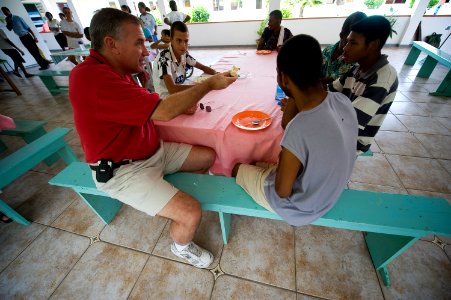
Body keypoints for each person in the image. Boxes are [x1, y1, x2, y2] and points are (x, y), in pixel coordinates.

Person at [69, 8, 236, 268]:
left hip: (151, 152)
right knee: (191, 212)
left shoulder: (117, 71)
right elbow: (164, 109)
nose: (146, 51)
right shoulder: (90, 78)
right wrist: (208, 84)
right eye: (138, 43)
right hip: (123, 171)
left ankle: (167, 197)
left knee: (208, 155)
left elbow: (151, 106)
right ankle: (180, 246)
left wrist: (176, 103)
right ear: (111, 44)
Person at [232, 34, 358, 227]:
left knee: (238, 168)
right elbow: (288, 123)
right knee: (260, 163)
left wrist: (283, 162)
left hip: (302, 209)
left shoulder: (299, 128)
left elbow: (282, 191)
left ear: (282, 77)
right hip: (329, 193)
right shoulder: (343, 101)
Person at [328, 15, 398, 154]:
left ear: (373, 45)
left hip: (353, 141)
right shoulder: (356, 70)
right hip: (341, 126)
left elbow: (350, 123)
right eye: (346, 42)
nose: (345, 48)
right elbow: (328, 91)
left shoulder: (382, 79)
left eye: (353, 43)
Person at [153, 21, 219, 105]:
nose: (183, 45)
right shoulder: (164, 58)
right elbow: (172, 89)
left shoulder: (184, 55)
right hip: (165, 100)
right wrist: (204, 86)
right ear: (171, 40)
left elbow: (203, 67)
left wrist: (217, 74)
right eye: (178, 40)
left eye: (186, 41)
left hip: (178, 93)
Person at [321, 11, 366, 85]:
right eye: (347, 42)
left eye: (354, 44)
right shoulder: (327, 50)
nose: (348, 48)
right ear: (341, 35)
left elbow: (331, 82)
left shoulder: (354, 64)